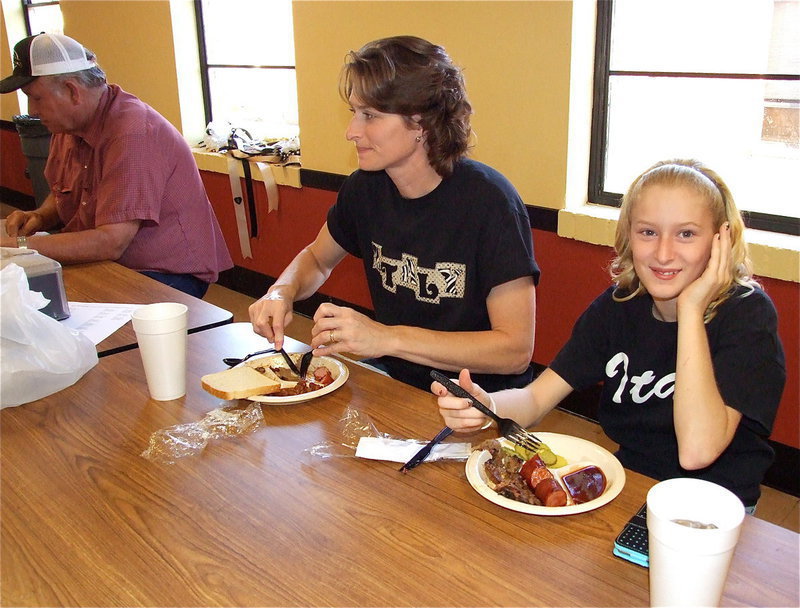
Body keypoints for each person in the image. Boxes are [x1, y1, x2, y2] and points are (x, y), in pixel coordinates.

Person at [433, 159, 786, 509]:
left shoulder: (747, 314)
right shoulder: (620, 305)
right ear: (628, 236)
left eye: (686, 234)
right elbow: (536, 399)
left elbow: (697, 451)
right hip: (633, 487)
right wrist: (485, 406)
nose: (664, 254)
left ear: (721, 239)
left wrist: (690, 310)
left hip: (713, 506)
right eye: (648, 232)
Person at [249, 36, 540, 392]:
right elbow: (316, 258)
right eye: (354, 113)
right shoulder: (364, 188)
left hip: (481, 399)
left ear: (422, 123)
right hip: (400, 382)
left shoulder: (491, 203)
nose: (351, 131)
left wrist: (387, 338)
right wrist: (281, 291)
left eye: (370, 115)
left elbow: (514, 350)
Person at [0, 33, 232, 298]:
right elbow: (62, 190)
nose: (32, 110)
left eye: (37, 98)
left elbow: (110, 242)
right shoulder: (67, 127)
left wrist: (18, 245)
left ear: (72, 90)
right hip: (110, 260)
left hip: (164, 272)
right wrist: (40, 216)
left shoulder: (132, 132)